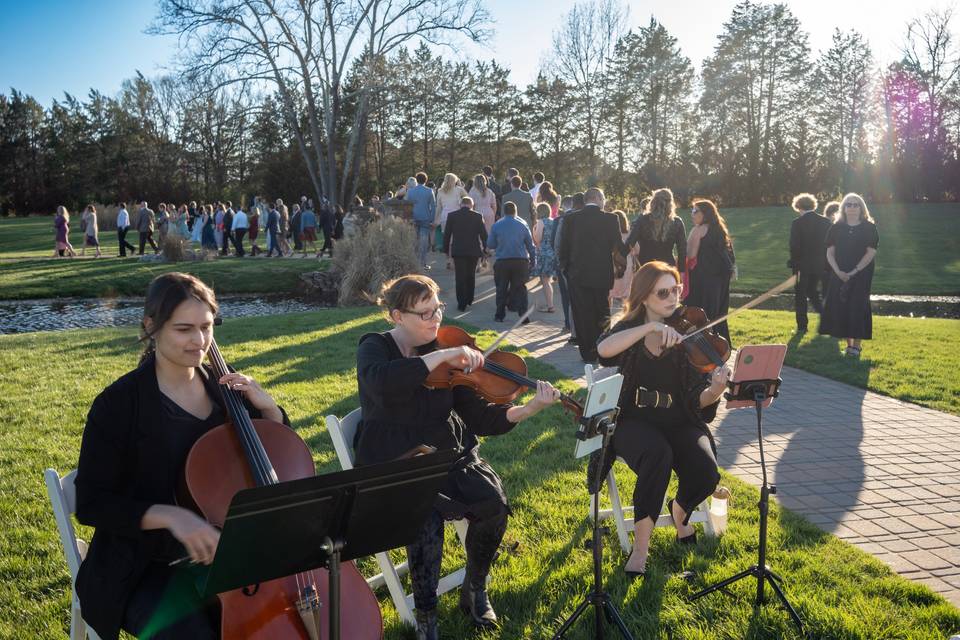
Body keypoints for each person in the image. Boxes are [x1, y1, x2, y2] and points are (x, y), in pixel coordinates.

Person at [73, 272, 290, 639]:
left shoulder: (226, 390)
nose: (200, 341)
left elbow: (274, 461)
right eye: (184, 329)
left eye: (207, 327)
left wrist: (270, 412)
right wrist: (172, 516)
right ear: (151, 326)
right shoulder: (119, 405)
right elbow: (92, 503)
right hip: (145, 565)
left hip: (226, 555)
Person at [354, 275, 560, 638]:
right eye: (425, 313)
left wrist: (528, 410)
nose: (436, 320)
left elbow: (480, 416)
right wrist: (445, 353)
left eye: (438, 309)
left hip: (445, 452)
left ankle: (474, 587)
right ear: (397, 316)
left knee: (493, 504)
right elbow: (380, 382)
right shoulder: (375, 347)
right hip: (395, 461)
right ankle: (426, 613)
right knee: (425, 519)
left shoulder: (450, 361)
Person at [595, 261, 732, 579]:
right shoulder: (629, 329)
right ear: (644, 297)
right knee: (658, 455)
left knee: (705, 472)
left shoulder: (689, 332)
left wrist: (714, 390)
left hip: (680, 420)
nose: (673, 297)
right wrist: (650, 328)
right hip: (633, 422)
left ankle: (680, 511)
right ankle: (640, 550)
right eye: (663, 292)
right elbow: (603, 350)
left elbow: (698, 400)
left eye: (676, 289)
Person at [557, 188, 625, 363]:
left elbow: (562, 247)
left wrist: (566, 269)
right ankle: (604, 351)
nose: (604, 202)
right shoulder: (610, 219)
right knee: (602, 312)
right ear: (598, 198)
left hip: (576, 275)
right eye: (603, 198)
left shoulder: (570, 219)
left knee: (582, 313)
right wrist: (620, 270)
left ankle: (587, 353)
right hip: (601, 275)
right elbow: (617, 247)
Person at [819, 193, 879, 357]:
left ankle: (856, 347)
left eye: (855, 204)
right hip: (839, 273)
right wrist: (838, 271)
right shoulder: (836, 227)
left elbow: (870, 252)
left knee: (858, 307)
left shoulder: (869, 227)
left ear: (861, 207)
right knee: (842, 306)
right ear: (843, 208)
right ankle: (848, 344)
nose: (852, 207)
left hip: (861, 273)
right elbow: (830, 253)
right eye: (848, 204)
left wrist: (854, 272)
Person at [685, 200, 736, 344]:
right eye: (692, 211)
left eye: (695, 211)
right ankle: (722, 345)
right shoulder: (720, 229)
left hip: (703, 278)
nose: (692, 214)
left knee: (702, 312)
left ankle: (703, 346)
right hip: (721, 277)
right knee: (719, 313)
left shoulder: (698, 230)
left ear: (705, 214)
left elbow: (690, 255)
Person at [788, 193, 832, 332]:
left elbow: (794, 246)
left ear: (798, 206)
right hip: (821, 264)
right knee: (812, 291)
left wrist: (793, 262)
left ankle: (802, 326)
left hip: (802, 266)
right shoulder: (826, 222)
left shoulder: (797, 223)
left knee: (800, 296)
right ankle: (825, 316)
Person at [487, 201, 535, 323]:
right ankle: (523, 315)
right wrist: (533, 260)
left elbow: (490, 244)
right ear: (515, 211)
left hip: (502, 261)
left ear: (504, 211)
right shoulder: (523, 224)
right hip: (520, 261)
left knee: (501, 288)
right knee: (521, 288)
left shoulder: (497, 225)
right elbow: (530, 245)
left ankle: (499, 315)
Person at [624, 188, 686, 272]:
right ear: (671, 204)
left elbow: (630, 243)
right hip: (668, 268)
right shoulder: (677, 222)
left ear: (653, 202)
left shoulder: (642, 219)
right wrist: (681, 271)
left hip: (645, 267)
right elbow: (682, 250)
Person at [443, 196, 488, 311]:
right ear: (471, 205)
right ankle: (469, 298)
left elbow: (447, 235)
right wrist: (486, 249)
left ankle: (461, 302)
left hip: (458, 250)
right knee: (470, 275)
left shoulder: (452, 216)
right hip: (473, 250)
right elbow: (483, 234)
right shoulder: (478, 216)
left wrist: (446, 251)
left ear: (461, 205)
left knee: (460, 276)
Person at [531, 203, 558, 313]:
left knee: (545, 280)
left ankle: (550, 306)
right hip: (553, 253)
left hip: (545, 254)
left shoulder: (541, 222)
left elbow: (537, 239)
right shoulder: (553, 221)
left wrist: (533, 230)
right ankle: (550, 305)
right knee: (548, 280)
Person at [407, 172, 436, 269]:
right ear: (426, 180)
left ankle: (414, 262)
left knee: (414, 240)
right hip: (425, 217)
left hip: (413, 217)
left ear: (416, 179)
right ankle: (422, 263)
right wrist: (431, 219)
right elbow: (433, 206)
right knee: (423, 242)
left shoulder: (410, 191)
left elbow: (407, 205)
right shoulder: (429, 191)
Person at [434, 173, 469, 252]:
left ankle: (448, 258)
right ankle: (455, 255)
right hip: (457, 215)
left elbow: (438, 207)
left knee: (447, 238)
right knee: (457, 237)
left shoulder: (440, 191)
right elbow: (468, 200)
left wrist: (435, 219)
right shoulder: (459, 189)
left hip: (445, 216)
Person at [609, 210, 636, 307]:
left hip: (612, 263)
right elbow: (637, 250)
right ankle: (625, 315)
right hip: (626, 264)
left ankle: (608, 317)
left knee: (610, 292)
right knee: (626, 293)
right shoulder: (629, 234)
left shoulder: (609, 234)